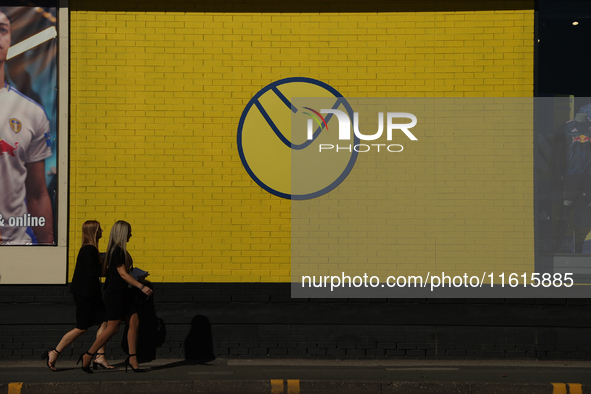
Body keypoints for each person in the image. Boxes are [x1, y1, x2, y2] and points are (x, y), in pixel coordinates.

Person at [0, 7, 54, 245]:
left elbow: (37, 193)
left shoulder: (32, 113)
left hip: (18, 246)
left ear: (10, 38)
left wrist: (48, 248)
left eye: (2, 30)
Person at [78, 220, 153, 373]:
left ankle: (133, 358)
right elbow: (122, 274)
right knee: (112, 328)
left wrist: (138, 278)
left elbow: (124, 274)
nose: (131, 234)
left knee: (135, 322)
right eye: (129, 231)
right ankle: (88, 355)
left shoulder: (121, 252)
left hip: (125, 293)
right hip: (115, 295)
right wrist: (142, 286)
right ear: (122, 233)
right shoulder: (116, 251)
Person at [41, 220, 113, 371]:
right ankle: (54, 353)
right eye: (99, 229)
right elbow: (93, 273)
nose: (102, 231)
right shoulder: (89, 250)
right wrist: (107, 264)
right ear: (93, 231)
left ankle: (100, 356)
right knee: (82, 327)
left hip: (89, 294)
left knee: (104, 321)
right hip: (87, 295)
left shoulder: (89, 249)